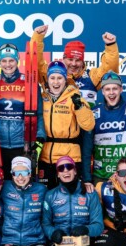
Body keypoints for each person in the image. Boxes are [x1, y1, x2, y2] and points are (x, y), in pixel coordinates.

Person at [0, 43, 44, 175]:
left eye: (11, 60)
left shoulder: (29, 83)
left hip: (22, 144)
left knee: (21, 179)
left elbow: (39, 114)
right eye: (4, 60)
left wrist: (39, 137)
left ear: (17, 61)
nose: (8, 64)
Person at [38, 60, 95, 189]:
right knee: (47, 196)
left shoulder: (75, 97)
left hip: (69, 157)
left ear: (65, 79)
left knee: (69, 196)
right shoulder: (42, 98)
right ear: (47, 80)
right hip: (45, 158)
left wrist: (79, 107)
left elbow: (88, 125)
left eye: (59, 78)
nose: (56, 82)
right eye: (52, 78)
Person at [87, 71, 126, 185]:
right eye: (107, 89)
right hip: (101, 176)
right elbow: (87, 148)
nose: (111, 93)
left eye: (115, 89)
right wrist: (87, 178)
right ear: (102, 91)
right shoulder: (94, 112)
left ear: (121, 89)